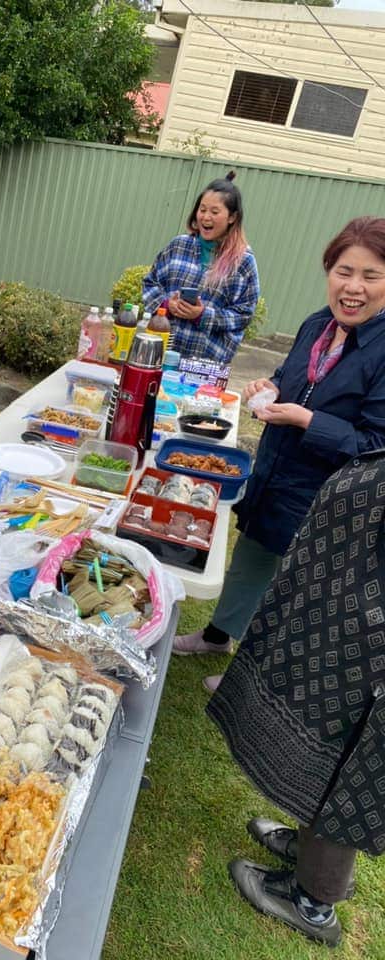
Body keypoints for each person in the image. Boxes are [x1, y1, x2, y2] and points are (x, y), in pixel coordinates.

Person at [175, 216, 385, 691]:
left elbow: (376, 447)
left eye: (370, 276)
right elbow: (293, 374)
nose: (353, 288)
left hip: (328, 498)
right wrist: (270, 384)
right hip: (277, 474)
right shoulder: (319, 324)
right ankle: (216, 635)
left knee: (294, 592)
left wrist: (308, 421)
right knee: (251, 558)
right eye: (343, 271)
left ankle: (256, 680)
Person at [206, 450, 385, 946]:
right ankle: (306, 847)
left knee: (349, 767)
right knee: (322, 751)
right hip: (345, 625)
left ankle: (313, 903)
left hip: (369, 649)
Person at [141, 171, 259, 364]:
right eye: (202, 209)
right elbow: (150, 283)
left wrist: (202, 315)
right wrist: (166, 306)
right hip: (159, 354)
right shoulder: (178, 245)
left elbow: (244, 314)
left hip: (205, 363)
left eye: (214, 212)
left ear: (232, 217)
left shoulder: (242, 261)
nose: (206, 217)